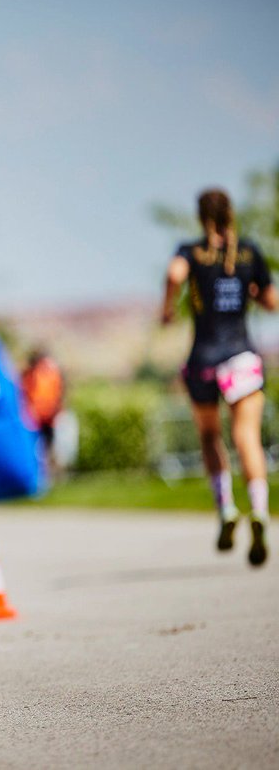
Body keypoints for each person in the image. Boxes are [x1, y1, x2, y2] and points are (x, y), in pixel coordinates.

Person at [162, 188, 276, 567]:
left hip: (203, 360)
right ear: (230, 214)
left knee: (211, 436)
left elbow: (173, 275)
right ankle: (258, 511)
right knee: (246, 436)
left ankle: (226, 507)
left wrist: (168, 309)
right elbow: (272, 301)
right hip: (241, 357)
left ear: (200, 217)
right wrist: (255, 294)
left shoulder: (190, 251)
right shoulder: (248, 252)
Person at [21, 347, 65, 475]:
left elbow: (60, 392)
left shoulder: (53, 374)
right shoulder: (31, 374)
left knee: (48, 446)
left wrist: (58, 409)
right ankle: (39, 472)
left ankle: (49, 472)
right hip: (35, 417)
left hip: (49, 417)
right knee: (36, 446)